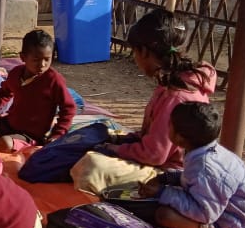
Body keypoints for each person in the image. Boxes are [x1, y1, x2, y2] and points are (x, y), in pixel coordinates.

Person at [70, 10, 216, 194]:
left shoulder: (176, 96)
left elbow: (154, 155)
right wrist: (122, 141)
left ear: (144, 52)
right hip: (164, 162)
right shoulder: (174, 84)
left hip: (171, 174)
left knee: (91, 167)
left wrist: (115, 149)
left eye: (135, 52)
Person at [137, 102, 245, 228]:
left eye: (170, 125)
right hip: (218, 212)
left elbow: (204, 214)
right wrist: (166, 178)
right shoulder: (202, 152)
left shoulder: (206, 168)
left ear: (180, 137)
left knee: (164, 215)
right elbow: (192, 179)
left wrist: (163, 192)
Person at [0, 29, 76, 152]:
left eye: (47, 59)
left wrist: (57, 134)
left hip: (30, 135)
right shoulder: (16, 73)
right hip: (9, 123)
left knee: (4, 144)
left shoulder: (53, 80)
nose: (42, 64)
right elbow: (4, 93)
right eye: (36, 59)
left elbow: (69, 108)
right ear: (23, 57)